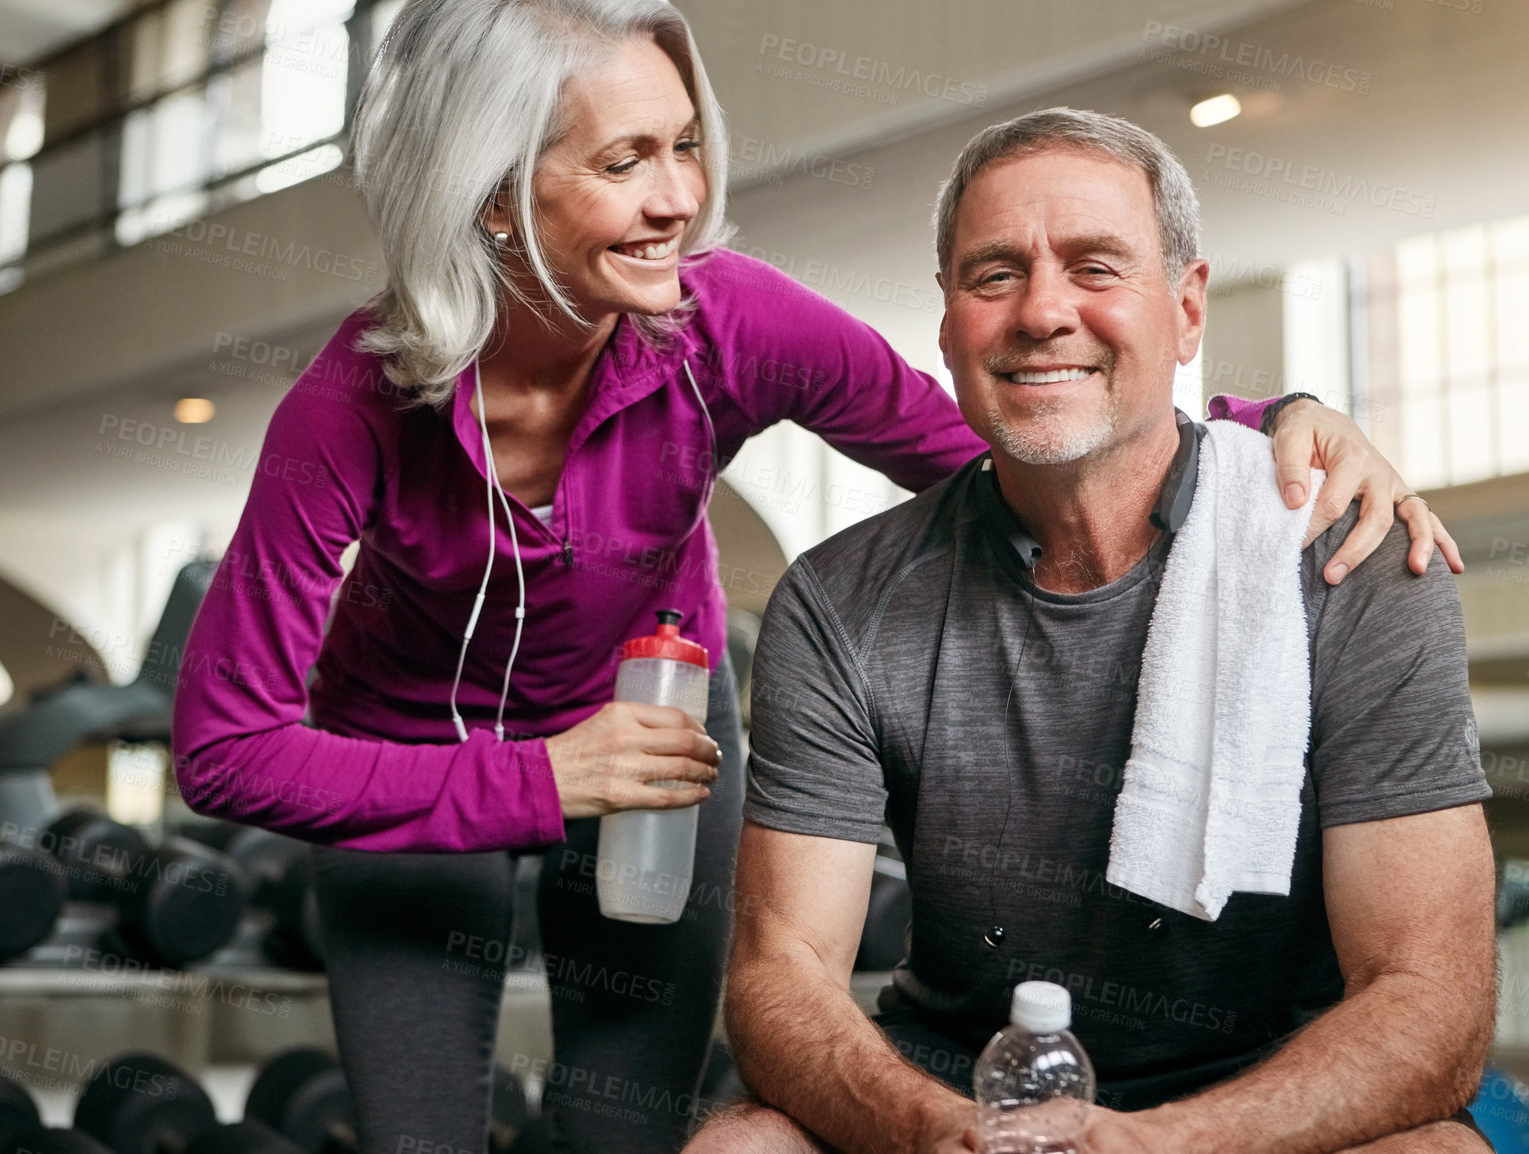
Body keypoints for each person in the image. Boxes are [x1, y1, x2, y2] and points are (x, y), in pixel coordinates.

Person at [168, 1, 1458, 1148]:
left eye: (683, 143)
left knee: (625, 1125)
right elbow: (225, 749)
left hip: (659, 735)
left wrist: (1262, 433)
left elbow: (1018, 438)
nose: (681, 195)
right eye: (626, 161)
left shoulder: (720, 321)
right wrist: (543, 774)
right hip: (403, 759)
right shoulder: (352, 405)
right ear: (495, 193)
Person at [686, 108, 1495, 1154]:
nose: (1042, 311)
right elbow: (779, 971)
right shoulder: (840, 599)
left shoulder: (1353, 563)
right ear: (945, 323)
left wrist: (1160, 1144)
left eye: (1094, 266)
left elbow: (1430, 997)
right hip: (961, 1094)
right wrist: (941, 1129)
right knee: (740, 1144)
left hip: (1271, 1099)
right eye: (993, 275)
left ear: (1187, 307)